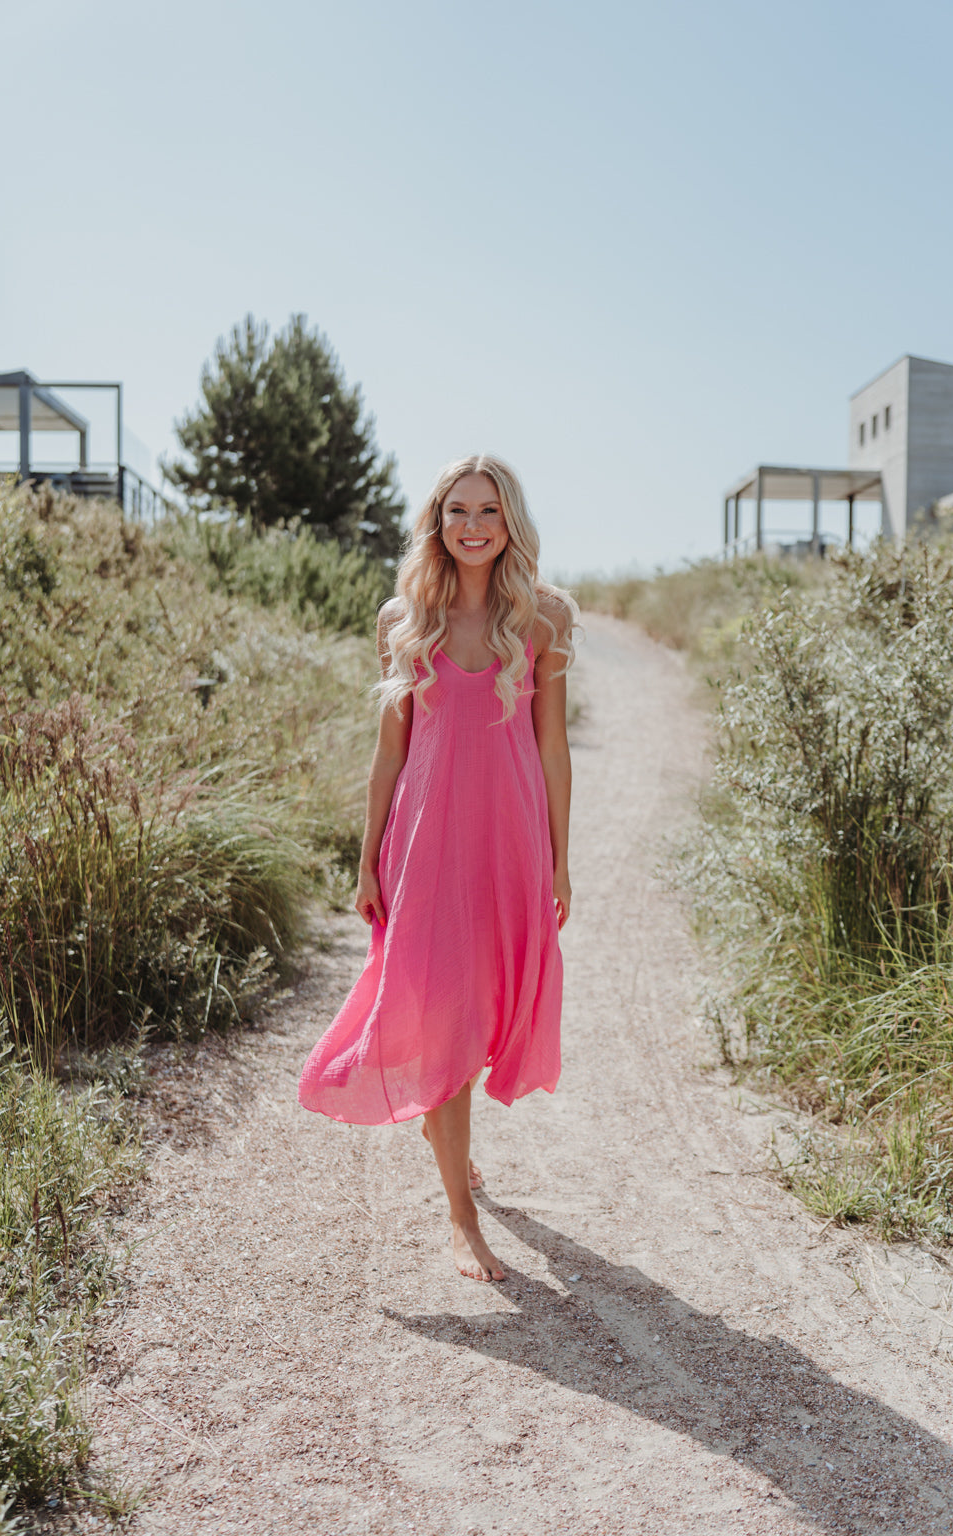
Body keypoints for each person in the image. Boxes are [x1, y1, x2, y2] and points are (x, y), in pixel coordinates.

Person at [298, 454, 578, 1282]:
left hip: (510, 840)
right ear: (438, 520)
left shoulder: (542, 619)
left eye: (488, 511)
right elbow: (390, 753)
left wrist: (562, 861)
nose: (473, 525)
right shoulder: (401, 619)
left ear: (509, 522)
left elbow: (553, 747)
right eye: (458, 510)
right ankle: (461, 1217)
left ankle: (447, 1135)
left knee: (491, 1004)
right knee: (448, 1012)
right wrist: (366, 857)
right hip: (426, 845)